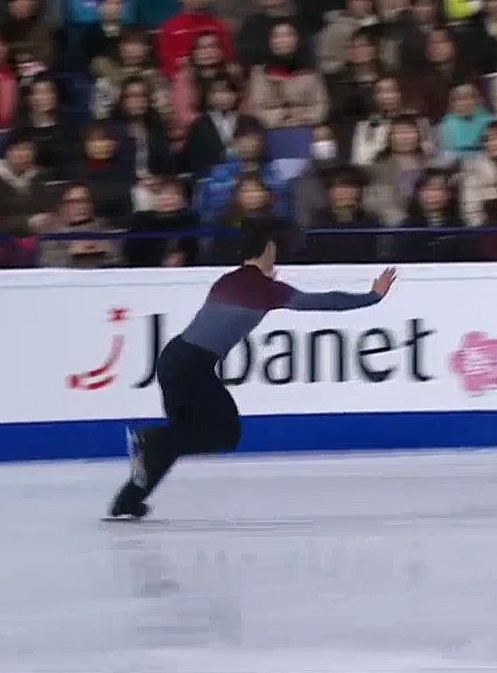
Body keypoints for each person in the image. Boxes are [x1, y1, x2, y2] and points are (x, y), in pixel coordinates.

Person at [109, 219, 398, 519]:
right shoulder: (265, 290)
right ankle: (149, 439)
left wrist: (267, 281)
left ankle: (127, 502)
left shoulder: (228, 280)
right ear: (270, 248)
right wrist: (371, 296)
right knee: (225, 432)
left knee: (178, 438)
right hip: (192, 366)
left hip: (174, 359)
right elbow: (324, 302)